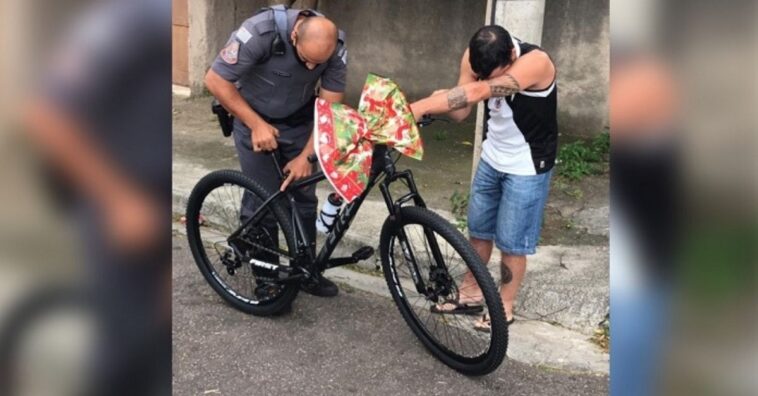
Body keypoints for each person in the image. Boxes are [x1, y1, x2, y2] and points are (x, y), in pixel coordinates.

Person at [410, 25, 558, 329]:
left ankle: (504, 305)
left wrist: (418, 107)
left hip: (527, 164)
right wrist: (446, 101)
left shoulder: (536, 62)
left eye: (493, 74)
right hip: (492, 157)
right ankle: (471, 293)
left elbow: (478, 92)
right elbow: (463, 111)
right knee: (478, 231)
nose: (486, 78)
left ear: (510, 55)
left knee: (513, 242)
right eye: (481, 73)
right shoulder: (474, 56)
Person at [204, 6, 347, 297]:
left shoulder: (336, 48)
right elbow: (215, 80)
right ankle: (266, 276)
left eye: (316, 65)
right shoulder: (260, 32)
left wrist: (307, 156)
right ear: (295, 35)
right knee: (265, 201)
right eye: (306, 60)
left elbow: (329, 108)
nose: (310, 69)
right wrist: (256, 125)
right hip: (253, 118)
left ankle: (306, 270)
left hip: (300, 122)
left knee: (304, 198)